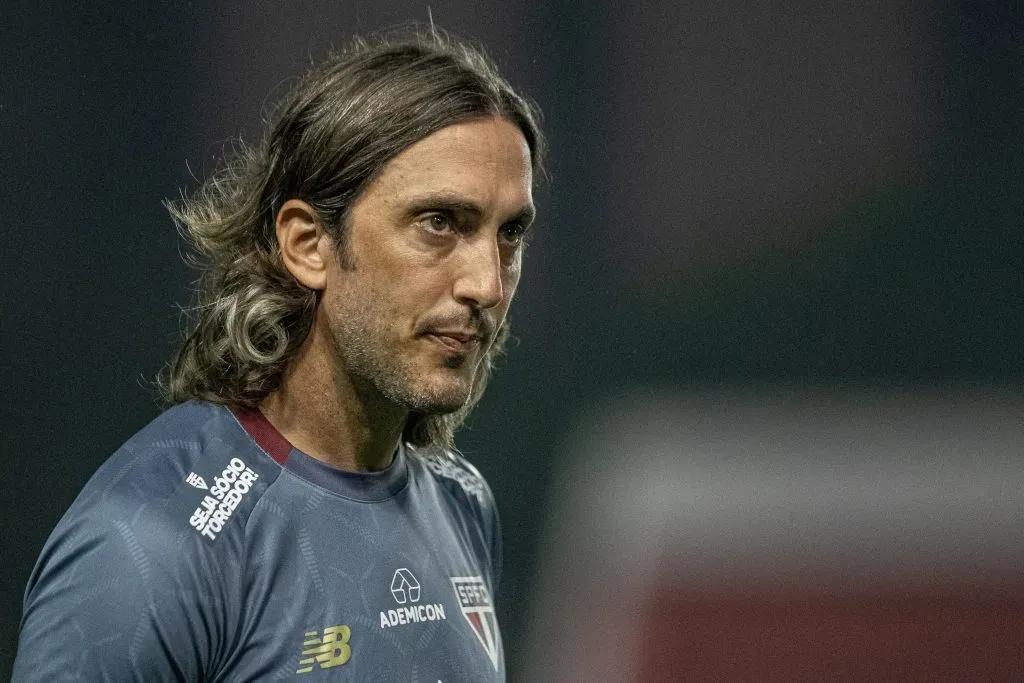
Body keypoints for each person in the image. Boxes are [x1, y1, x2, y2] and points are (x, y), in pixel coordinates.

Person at [13, 26, 544, 682]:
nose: (487, 284)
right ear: (307, 244)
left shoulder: (462, 501)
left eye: (510, 234)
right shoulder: (148, 544)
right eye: (440, 223)